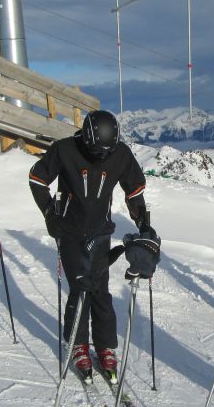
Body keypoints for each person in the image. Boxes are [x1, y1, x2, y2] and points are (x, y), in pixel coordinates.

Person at [28, 110, 156, 382]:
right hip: (70, 231)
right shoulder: (65, 150)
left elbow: (134, 189)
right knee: (80, 286)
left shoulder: (119, 153)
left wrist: (144, 225)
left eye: (108, 151)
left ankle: (105, 346)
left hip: (100, 231)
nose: (104, 156)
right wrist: (50, 214)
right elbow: (37, 178)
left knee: (100, 290)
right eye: (99, 151)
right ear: (87, 139)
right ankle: (78, 344)